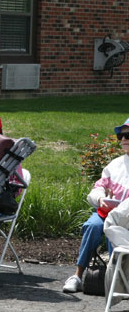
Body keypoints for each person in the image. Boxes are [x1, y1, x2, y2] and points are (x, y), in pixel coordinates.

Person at [63, 117, 129, 293]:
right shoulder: (114, 165)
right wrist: (100, 199)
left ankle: (116, 279)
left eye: (128, 135)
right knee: (92, 225)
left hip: (125, 220)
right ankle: (77, 275)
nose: (123, 139)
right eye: (121, 136)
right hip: (105, 213)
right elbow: (97, 189)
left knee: (113, 231)